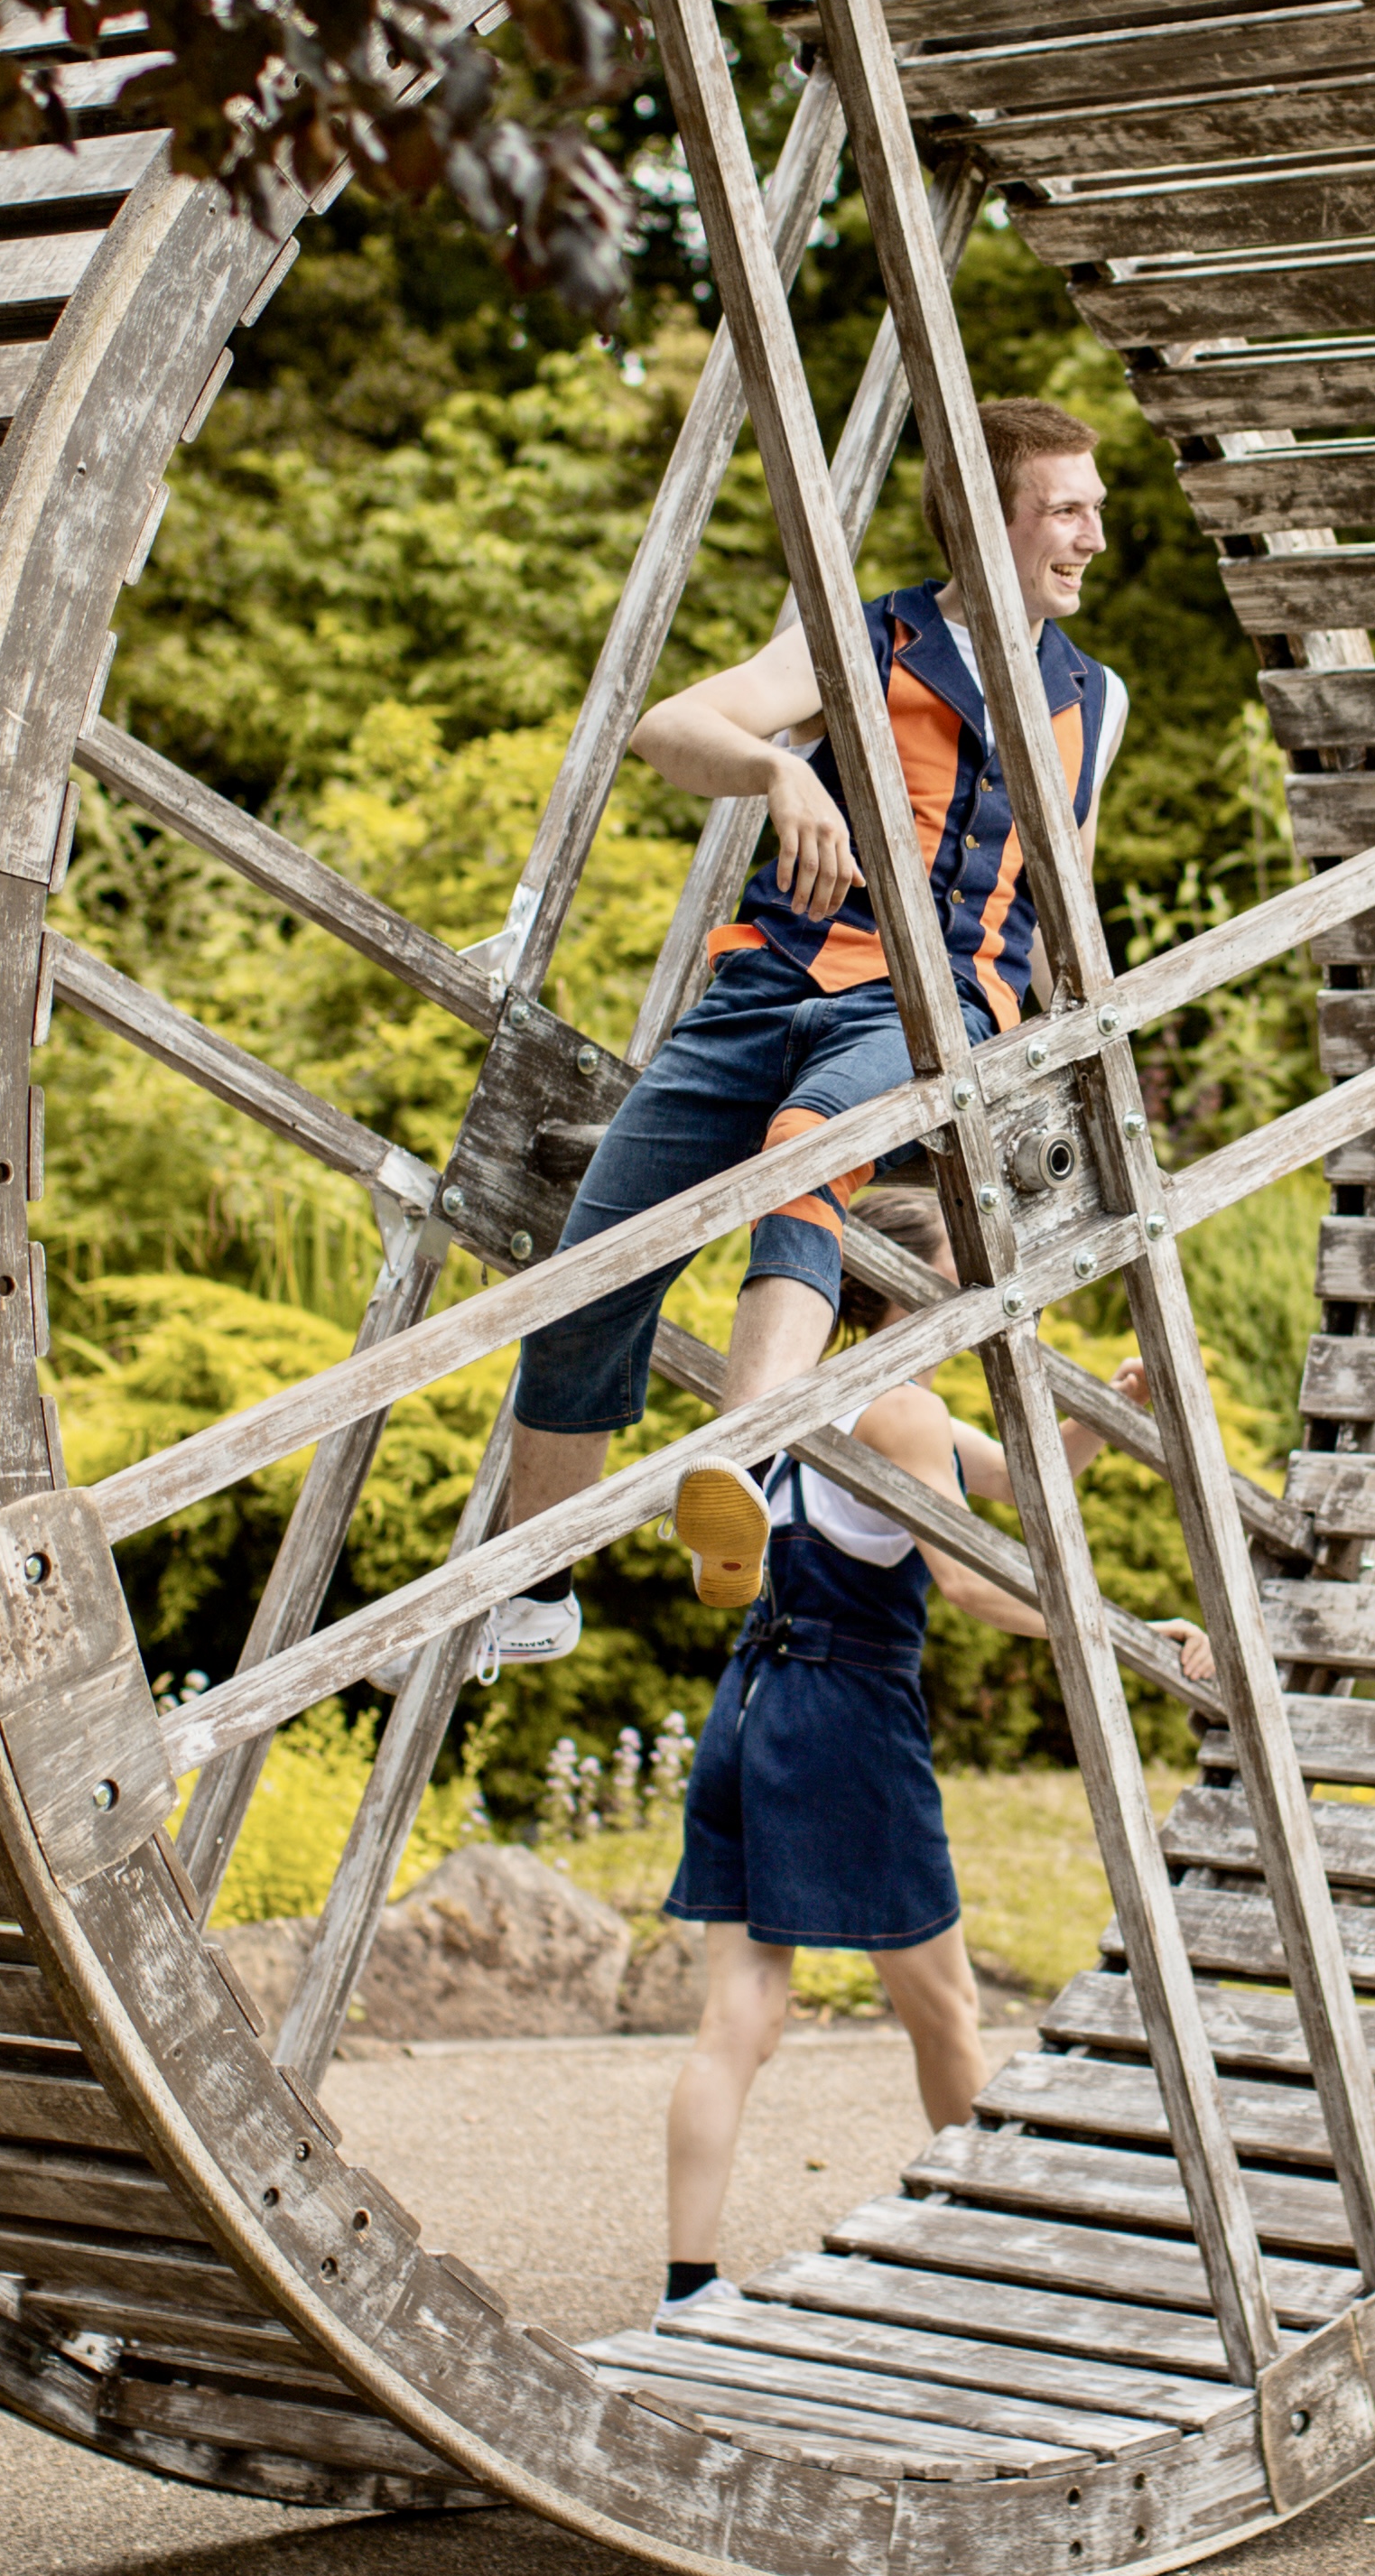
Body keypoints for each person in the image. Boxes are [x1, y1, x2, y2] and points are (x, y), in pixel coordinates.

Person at [480, 396, 1129, 1667]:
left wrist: (1070, 1092)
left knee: (811, 1143)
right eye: (1066, 505)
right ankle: (534, 1591)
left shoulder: (1092, 701)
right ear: (984, 518)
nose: (1093, 534)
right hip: (767, 981)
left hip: (935, 1004)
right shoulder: (866, 637)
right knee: (587, 1266)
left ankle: (734, 1457)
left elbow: (1067, 916)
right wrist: (780, 770)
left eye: (1090, 506)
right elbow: (672, 726)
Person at [649, 1186, 1211, 2324]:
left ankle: (687, 2287)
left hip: (753, 1703)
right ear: (913, 1278)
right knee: (945, 2009)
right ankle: (992, 2250)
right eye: (961, 1258)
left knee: (740, 2018)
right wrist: (1132, 1632)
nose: (975, 1275)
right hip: (846, 1717)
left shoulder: (812, 1392)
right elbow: (965, 1575)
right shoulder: (900, 1409)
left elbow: (1006, 1472)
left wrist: (1100, 1412)